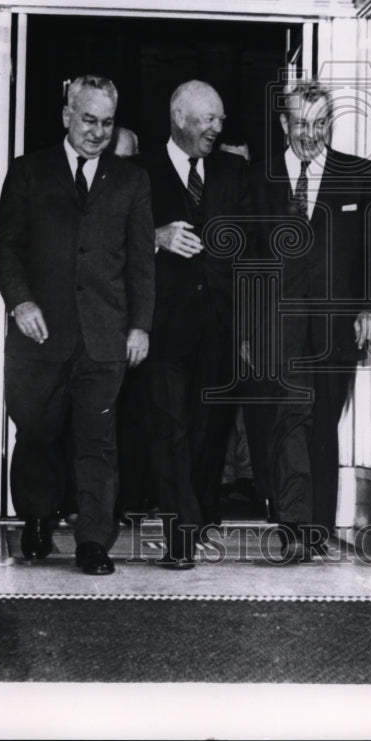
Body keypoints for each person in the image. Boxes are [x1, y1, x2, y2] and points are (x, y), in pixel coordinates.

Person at [0, 75, 155, 576]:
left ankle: (92, 542)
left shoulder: (131, 181)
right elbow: (8, 250)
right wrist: (20, 302)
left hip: (104, 335)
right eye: (88, 120)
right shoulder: (28, 172)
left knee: (97, 441)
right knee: (36, 432)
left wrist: (140, 326)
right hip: (39, 335)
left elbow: (140, 263)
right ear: (67, 115)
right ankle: (37, 517)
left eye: (107, 123)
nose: (97, 132)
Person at [247, 82, 371, 563]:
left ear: (330, 123)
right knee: (291, 417)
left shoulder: (360, 174)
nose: (310, 134)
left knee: (322, 424)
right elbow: (245, 259)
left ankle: (316, 527)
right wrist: (247, 331)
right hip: (278, 326)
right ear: (283, 124)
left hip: (336, 327)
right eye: (300, 123)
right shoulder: (260, 178)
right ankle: (293, 525)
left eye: (320, 123)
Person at [134, 80, 249, 568]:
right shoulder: (138, 173)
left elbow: (252, 250)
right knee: (170, 428)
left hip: (221, 327)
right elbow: (110, 240)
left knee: (208, 431)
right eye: (208, 119)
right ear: (180, 118)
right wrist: (154, 237)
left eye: (220, 119)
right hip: (162, 325)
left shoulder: (233, 172)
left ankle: (197, 514)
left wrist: (248, 328)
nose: (217, 128)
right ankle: (179, 530)